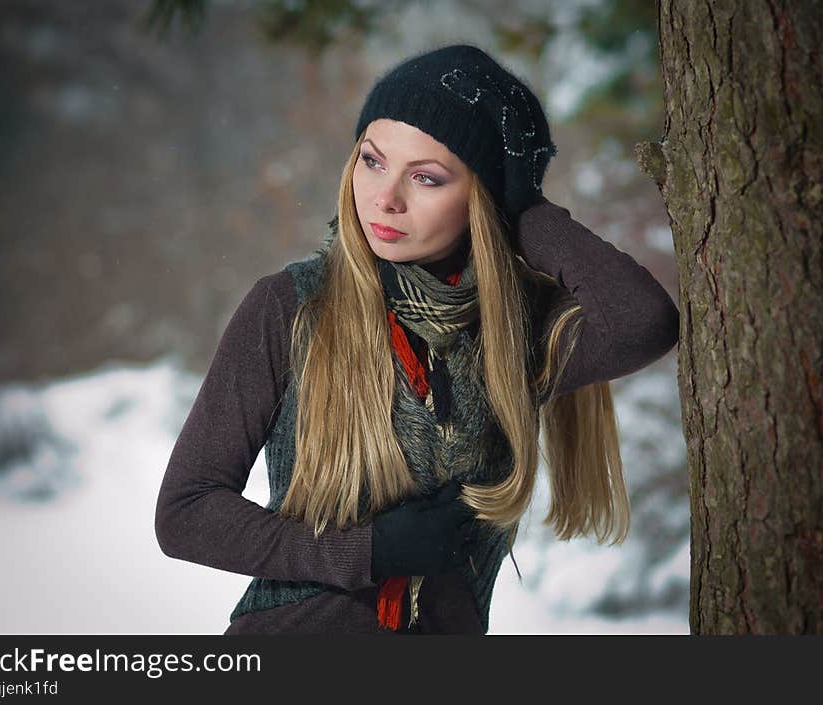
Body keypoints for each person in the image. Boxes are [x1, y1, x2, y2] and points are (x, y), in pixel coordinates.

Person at [154, 44, 680, 635]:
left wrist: (524, 209)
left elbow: (643, 322)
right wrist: (366, 551)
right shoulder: (290, 308)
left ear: (482, 199)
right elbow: (186, 512)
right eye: (372, 161)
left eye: (426, 178)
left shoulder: (512, 336)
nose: (385, 198)